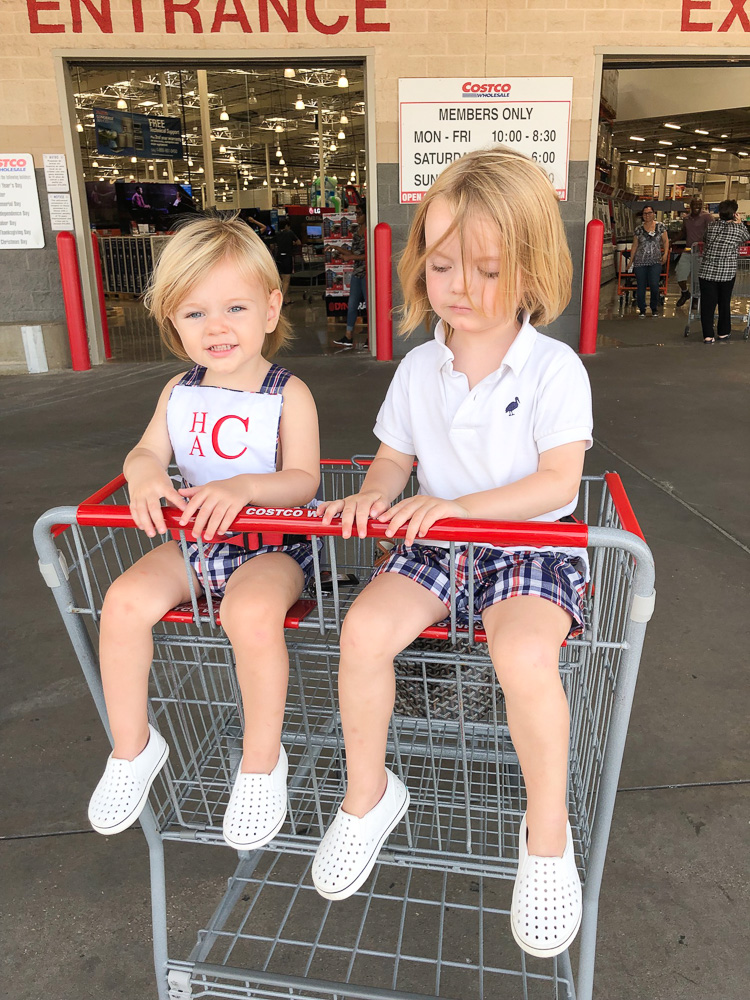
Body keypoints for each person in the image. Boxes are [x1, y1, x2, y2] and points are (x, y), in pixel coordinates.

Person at [313, 147, 592, 960]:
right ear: (417, 266)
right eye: (441, 265)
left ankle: (546, 836)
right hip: (439, 540)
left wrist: (459, 506)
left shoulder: (552, 368)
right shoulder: (417, 368)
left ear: (533, 271)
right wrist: (374, 491)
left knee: (525, 656)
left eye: (486, 268)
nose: (460, 287)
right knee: (362, 632)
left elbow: (555, 480)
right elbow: (396, 459)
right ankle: (368, 796)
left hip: (527, 544)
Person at [87, 214, 320, 851]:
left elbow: (302, 480)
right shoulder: (178, 392)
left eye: (235, 307)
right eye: (194, 314)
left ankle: (260, 760)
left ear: (271, 309)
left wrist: (246, 486)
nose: (216, 327)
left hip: (272, 546)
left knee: (249, 614)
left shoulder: (286, 393)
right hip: (195, 542)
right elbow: (145, 451)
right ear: (172, 322)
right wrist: (141, 472)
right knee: (123, 601)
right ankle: (133, 746)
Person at [699, 199, 750, 343]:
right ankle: (723, 332)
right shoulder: (737, 229)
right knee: (724, 302)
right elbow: (747, 237)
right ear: (734, 214)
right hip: (726, 273)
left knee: (708, 304)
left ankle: (708, 335)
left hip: (706, 272)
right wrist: (739, 223)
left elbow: (705, 240)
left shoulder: (711, 226)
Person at [333, 201, 368, 349]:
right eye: (356, 213)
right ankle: (348, 336)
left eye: (359, 214)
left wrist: (350, 258)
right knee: (352, 305)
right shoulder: (357, 232)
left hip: (367, 274)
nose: (357, 217)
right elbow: (353, 254)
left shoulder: (368, 232)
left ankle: (370, 337)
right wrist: (336, 248)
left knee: (369, 307)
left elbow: (369, 255)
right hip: (357, 273)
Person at [629, 206, 669, 318]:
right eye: (645, 213)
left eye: (649, 213)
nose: (647, 215)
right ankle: (642, 308)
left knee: (654, 284)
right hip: (640, 261)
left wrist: (665, 254)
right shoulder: (638, 229)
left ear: (654, 214)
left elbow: (665, 241)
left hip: (655, 261)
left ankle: (654, 307)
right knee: (640, 286)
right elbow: (635, 245)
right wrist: (631, 260)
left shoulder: (660, 227)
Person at [674, 197, 712, 307]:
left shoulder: (707, 217)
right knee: (680, 273)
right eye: (695, 204)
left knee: (696, 277)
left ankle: (696, 298)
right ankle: (685, 293)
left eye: (699, 204)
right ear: (690, 206)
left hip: (700, 252)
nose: (697, 207)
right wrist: (671, 241)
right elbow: (683, 232)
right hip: (688, 250)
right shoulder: (686, 219)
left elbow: (712, 231)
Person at [273, 217, 302, 305]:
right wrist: (292, 243)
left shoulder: (277, 234)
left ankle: (286, 299)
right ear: (286, 226)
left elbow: (274, 245)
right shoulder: (290, 233)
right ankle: (280, 299)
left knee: (282, 280)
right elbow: (299, 242)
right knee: (287, 279)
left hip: (278, 257)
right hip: (287, 257)